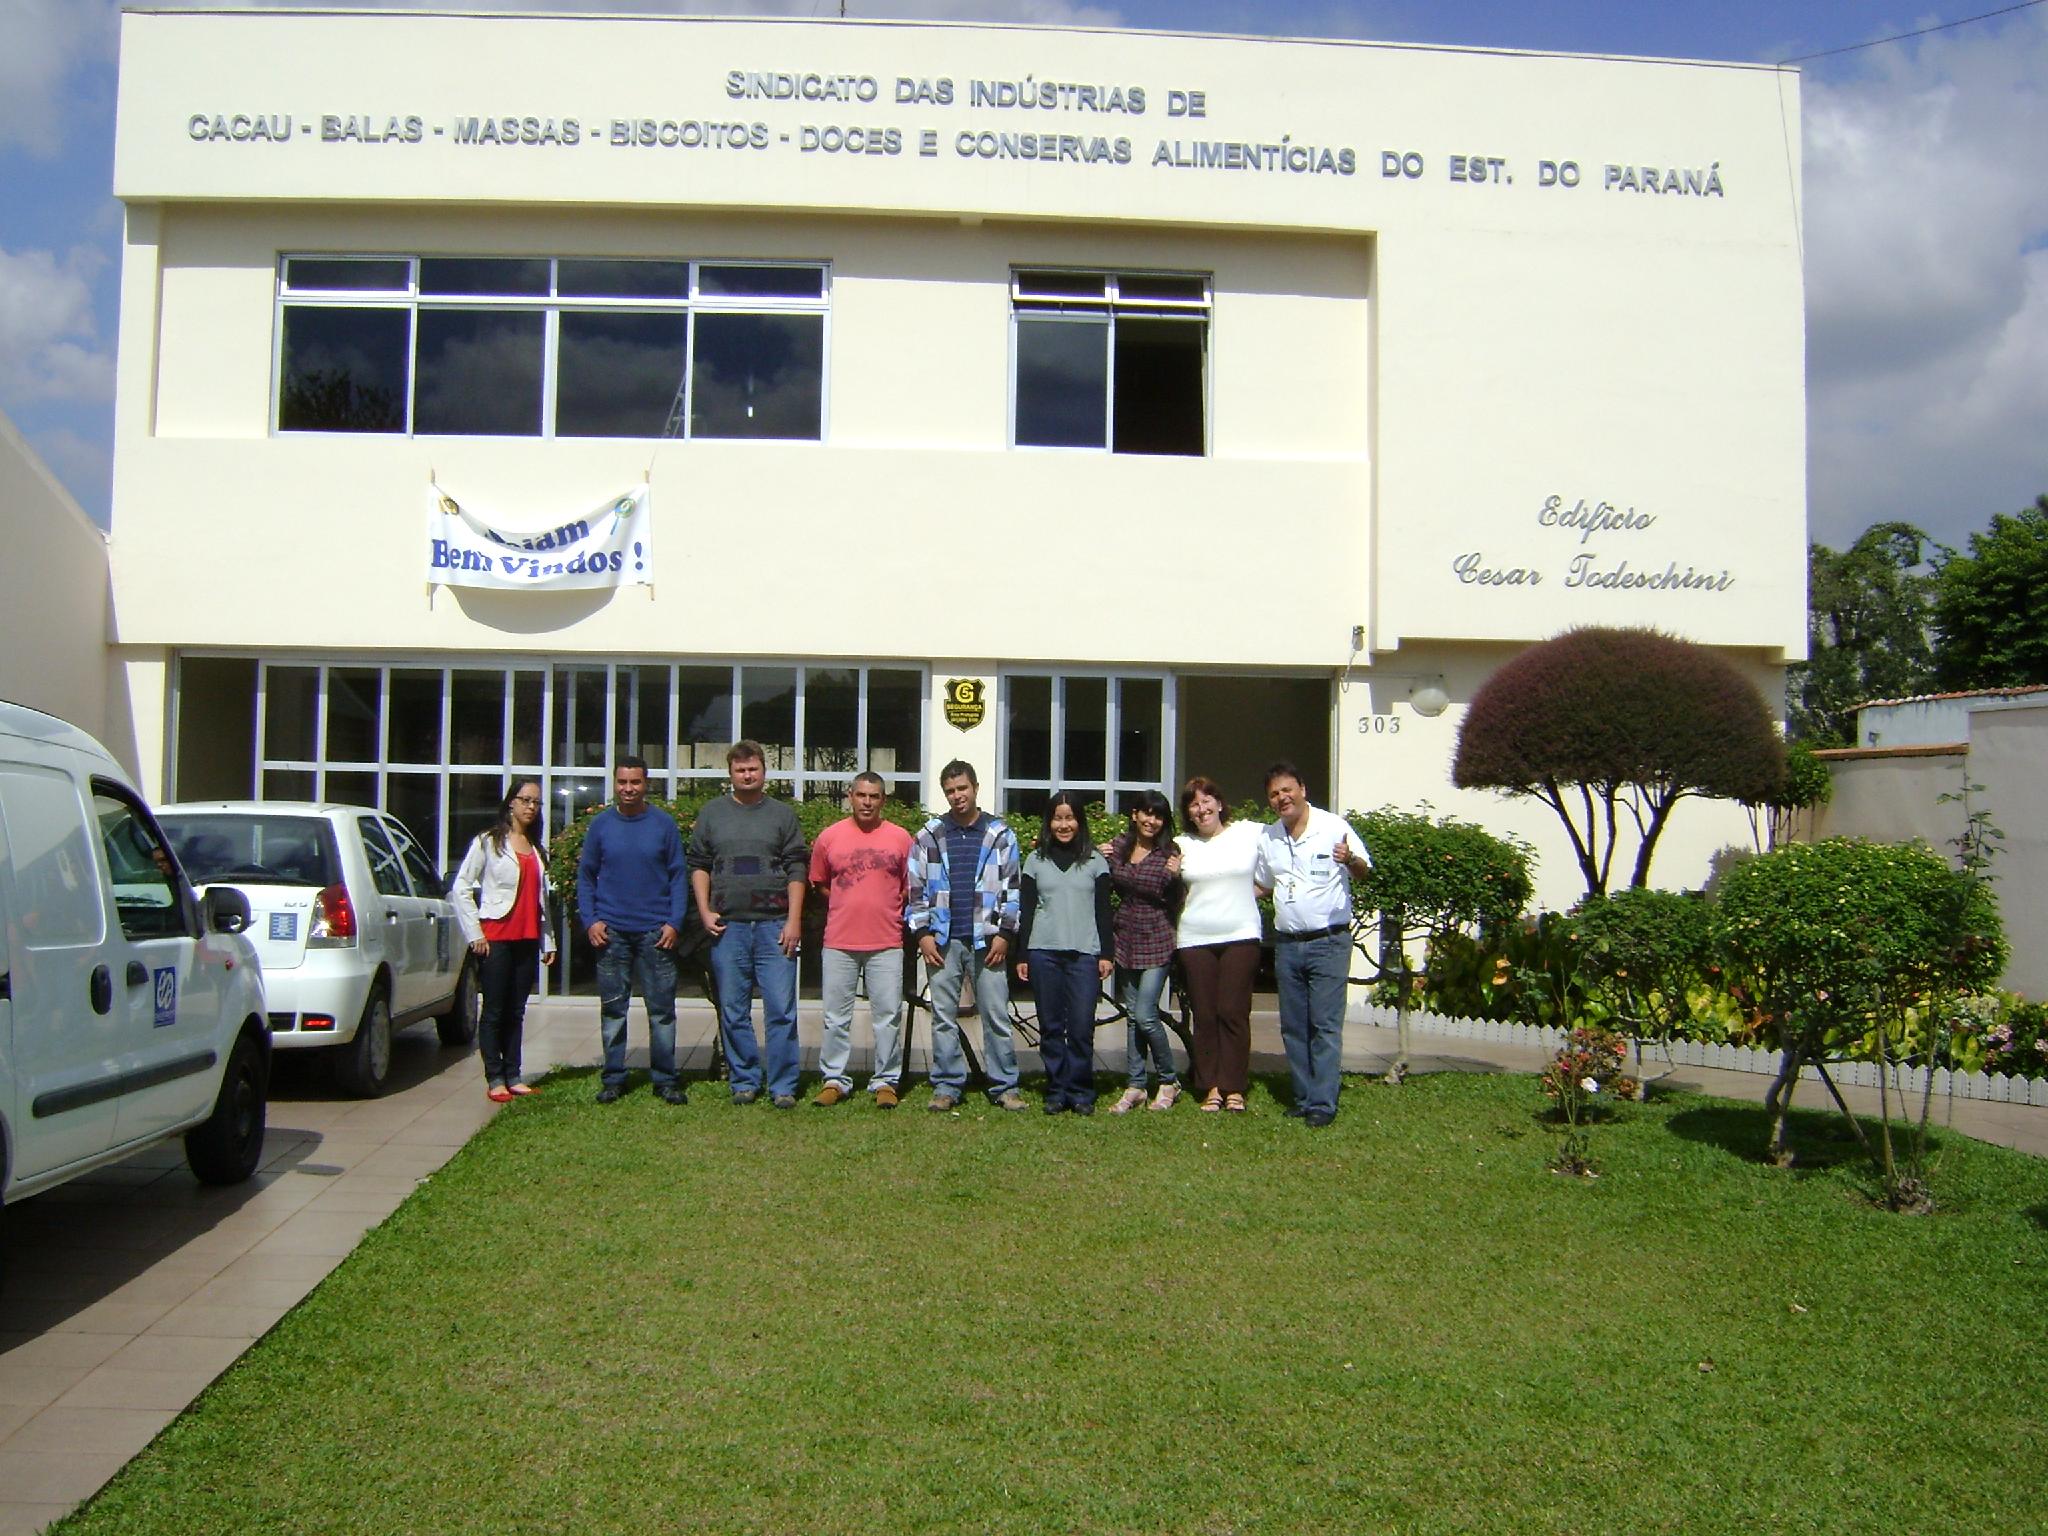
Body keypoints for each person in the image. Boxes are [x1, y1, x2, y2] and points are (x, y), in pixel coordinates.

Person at [690, 740, 809, 1108]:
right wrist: (704, 911)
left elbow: (797, 868)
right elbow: (699, 865)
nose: (747, 775)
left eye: (753, 768)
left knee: (781, 1009)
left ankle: (783, 1085)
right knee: (733, 1009)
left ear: (763, 772)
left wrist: (793, 920)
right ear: (730, 774)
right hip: (729, 928)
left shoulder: (782, 815)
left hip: (775, 927)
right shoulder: (712, 814)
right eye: (740, 770)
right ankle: (744, 1080)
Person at [904, 760, 1027, 1113]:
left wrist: (1005, 933)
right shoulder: (929, 836)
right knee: (943, 1017)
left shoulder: (1000, 835)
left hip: (988, 941)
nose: (957, 796)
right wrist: (922, 933)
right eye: (950, 791)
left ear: (975, 788)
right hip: (943, 940)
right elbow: (915, 890)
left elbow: (1012, 889)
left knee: (995, 1015)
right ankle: (946, 1085)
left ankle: (1005, 1086)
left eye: (962, 788)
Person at [1252, 761, 1368, 1128]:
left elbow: (1364, 870)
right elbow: (1262, 885)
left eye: (1287, 790)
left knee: (1325, 1025)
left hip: (1328, 942)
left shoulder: (1333, 827)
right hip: (1287, 944)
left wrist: (1350, 859)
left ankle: (1323, 1102)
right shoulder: (1270, 837)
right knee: (1293, 1026)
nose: (1281, 798)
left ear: (1302, 790)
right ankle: (1303, 1097)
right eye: (1274, 794)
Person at [577, 757, 688, 1105]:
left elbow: (678, 876)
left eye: (635, 782)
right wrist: (591, 920)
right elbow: (586, 876)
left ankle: (665, 1080)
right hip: (612, 933)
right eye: (622, 782)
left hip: (656, 933)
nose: (628, 789)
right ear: (614, 783)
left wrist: (674, 922)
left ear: (646, 784)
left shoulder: (663, 824)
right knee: (614, 1010)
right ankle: (613, 1078)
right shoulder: (600, 826)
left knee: (662, 1011)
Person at [808, 770, 914, 1108]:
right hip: (839, 940)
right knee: (836, 1017)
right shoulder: (829, 838)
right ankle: (834, 1079)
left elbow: (909, 887)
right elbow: (820, 883)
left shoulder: (901, 839)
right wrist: (848, 902)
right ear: (850, 797)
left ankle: (886, 1081)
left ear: (883, 800)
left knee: (888, 1015)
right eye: (861, 795)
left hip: (887, 940)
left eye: (874, 796)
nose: (867, 802)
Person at [453, 777, 556, 1103]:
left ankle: (514, 1074)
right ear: (511, 802)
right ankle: (495, 1077)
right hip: (496, 937)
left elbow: (541, 901)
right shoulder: (489, 841)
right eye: (525, 800)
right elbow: (461, 887)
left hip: (527, 939)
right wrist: (475, 934)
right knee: (495, 1011)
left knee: (516, 1011)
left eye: (536, 802)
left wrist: (548, 941)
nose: (531, 807)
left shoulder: (536, 848)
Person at [1016, 790, 1114, 1115]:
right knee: (1051, 1026)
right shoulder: (1035, 861)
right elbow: (1027, 910)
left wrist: (1106, 954)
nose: (1063, 825)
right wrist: (1022, 955)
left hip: (1084, 953)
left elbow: (1104, 911)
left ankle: (1081, 1090)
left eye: (1069, 818)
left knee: (1082, 1027)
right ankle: (1057, 1090)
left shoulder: (1096, 861)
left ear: (1079, 821)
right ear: (1049, 822)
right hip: (1044, 952)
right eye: (1057, 818)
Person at [1174, 776, 1264, 1114]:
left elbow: (1279, 858)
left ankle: (1234, 1086)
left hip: (1241, 934)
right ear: (1188, 813)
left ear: (1220, 803)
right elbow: (1141, 850)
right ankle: (1210, 1085)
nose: (1202, 808)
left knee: (1233, 1011)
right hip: (1196, 938)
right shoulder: (1181, 845)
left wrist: (1247, 894)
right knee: (1205, 1014)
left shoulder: (1247, 833)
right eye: (1194, 804)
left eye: (1207, 800)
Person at [1104, 789, 1184, 1114]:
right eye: (1147, 813)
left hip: (1158, 937)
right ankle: (1136, 1085)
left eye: (1158, 815)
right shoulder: (1119, 846)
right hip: (1125, 937)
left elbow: (1177, 899)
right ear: (1135, 814)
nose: (1152, 820)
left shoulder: (1169, 853)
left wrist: (1176, 877)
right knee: (1133, 1017)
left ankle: (1169, 1080)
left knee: (1146, 1014)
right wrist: (1095, 853)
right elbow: (1098, 875)